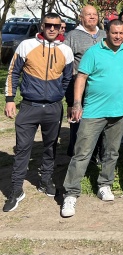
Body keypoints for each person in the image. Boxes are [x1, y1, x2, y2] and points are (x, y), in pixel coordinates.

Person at [3, 13, 74, 213]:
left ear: (61, 28)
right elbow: (12, 72)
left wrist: (70, 104)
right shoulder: (27, 45)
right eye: (48, 25)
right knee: (23, 148)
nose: (52, 29)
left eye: (56, 26)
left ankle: (45, 180)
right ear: (42, 26)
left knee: (50, 147)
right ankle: (16, 190)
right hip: (29, 106)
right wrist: (10, 100)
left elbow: (68, 81)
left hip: (53, 107)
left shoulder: (66, 51)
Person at [60, 20, 123, 218]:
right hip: (93, 112)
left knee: (111, 152)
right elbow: (80, 78)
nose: (118, 36)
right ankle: (71, 194)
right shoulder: (93, 52)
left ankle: (105, 184)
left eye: (121, 33)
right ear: (106, 33)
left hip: (118, 112)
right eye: (114, 33)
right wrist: (76, 103)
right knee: (82, 153)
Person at [64, 6, 107, 158]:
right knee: (79, 125)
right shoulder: (73, 36)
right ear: (81, 17)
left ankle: (97, 156)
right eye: (88, 14)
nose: (92, 17)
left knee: (100, 124)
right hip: (80, 88)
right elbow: (66, 65)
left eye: (95, 14)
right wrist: (71, 100)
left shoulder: (104, 34)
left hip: (101, 90)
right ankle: (77, 157)